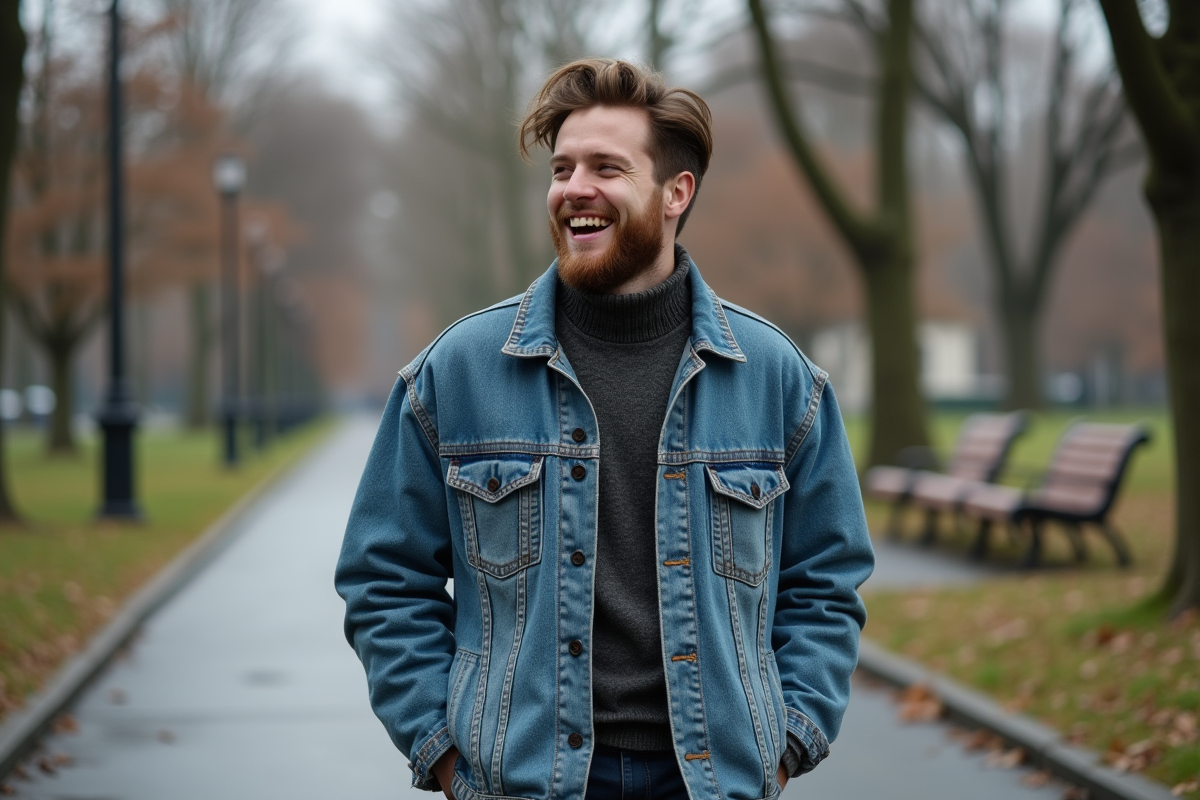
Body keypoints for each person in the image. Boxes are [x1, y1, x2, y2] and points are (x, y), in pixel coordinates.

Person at [335, 58, 875, 800]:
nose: (573, 190)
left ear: (676, 192)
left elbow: (827, 582)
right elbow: (384, 578)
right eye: (561, 169)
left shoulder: (777, 379)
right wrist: (448, 756)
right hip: (522, 782)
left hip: (711, 784)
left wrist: (783, 747)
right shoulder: (454, 373)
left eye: (606, 167)